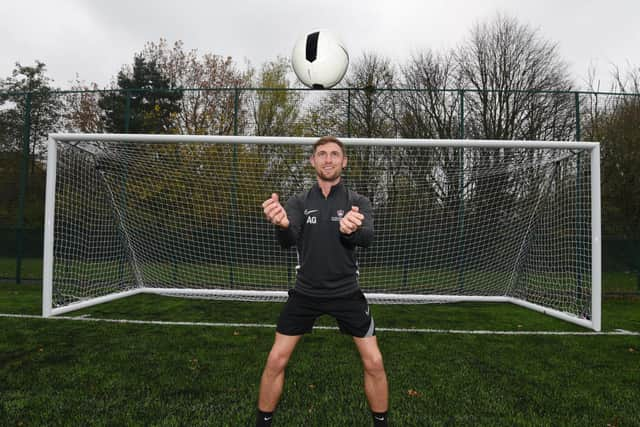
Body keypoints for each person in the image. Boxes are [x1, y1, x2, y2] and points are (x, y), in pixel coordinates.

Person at [256, 136, 389, 427]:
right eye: (322, 154)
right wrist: (280, 223)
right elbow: (287, 239)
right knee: (275, 360)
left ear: (344, 161)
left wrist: (351, 230)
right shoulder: (299, 202)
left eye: (334, 154)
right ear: (312, 161)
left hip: (346, 293)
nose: (328, 159)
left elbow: (367, 238)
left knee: (375, 363)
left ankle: (381, 422)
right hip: (305, 293)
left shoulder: (358, 201)